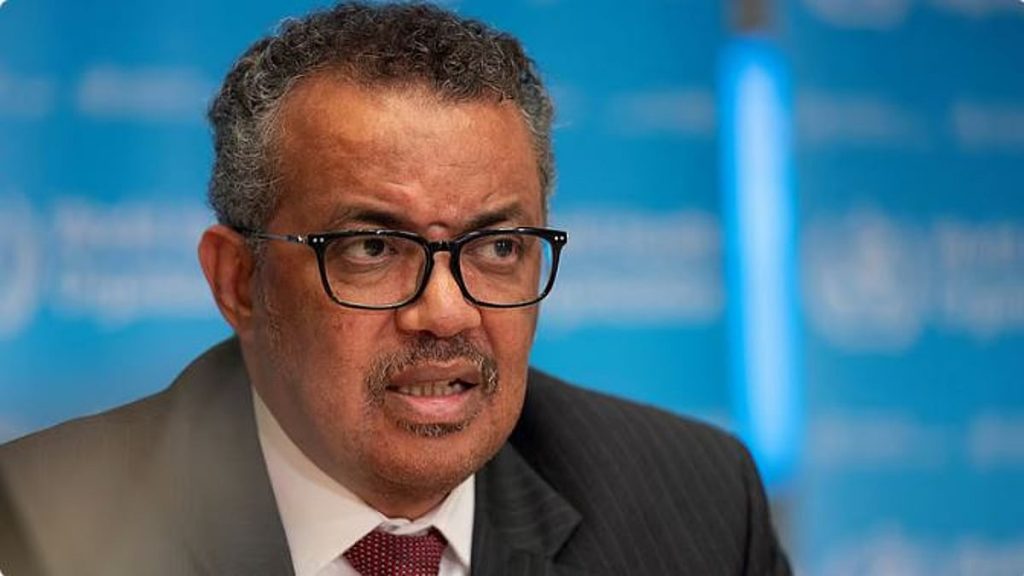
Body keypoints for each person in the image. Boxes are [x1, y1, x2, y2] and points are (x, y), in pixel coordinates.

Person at [0, 3, 791, 575]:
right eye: (373, 248)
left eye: (498, 247)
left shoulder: (698, 507)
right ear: (239, 282)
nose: (446, 311)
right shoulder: (41, 531)